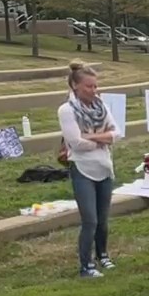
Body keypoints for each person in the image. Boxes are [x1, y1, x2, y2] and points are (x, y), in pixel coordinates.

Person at [58, 60, 119, 279]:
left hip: (104, 168)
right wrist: (102, 139)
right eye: (88, 87)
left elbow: (117, 134)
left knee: (103, 219)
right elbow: (75, 143)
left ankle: (103, 255)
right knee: (90, 220)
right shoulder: (66, 110)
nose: (94, 91)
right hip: (82, 169)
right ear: (76, 86)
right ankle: (86, 265)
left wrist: (91, 136)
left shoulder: (101, 106)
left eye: (95, 86)